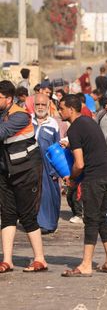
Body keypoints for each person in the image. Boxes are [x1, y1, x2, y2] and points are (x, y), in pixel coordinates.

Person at [59, 94, 107, 277]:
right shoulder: (89, 121)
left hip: (95, 177)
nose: (59, 111)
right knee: (101, 218)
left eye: (61, 108)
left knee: (91, 220)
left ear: (71, 109)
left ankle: (86, 265)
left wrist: (72, 179)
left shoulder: (74, 129)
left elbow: (79, 164)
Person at [0, 80, 48, 273]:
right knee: (7, 215)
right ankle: (7, 261)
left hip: (26, 171)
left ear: (8, 99)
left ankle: (40, 259)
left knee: (28, 216)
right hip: (5, 171)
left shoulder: (19, 115)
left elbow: (1, 132)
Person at [32, 94, 61, 234]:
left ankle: (49, 224)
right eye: (38, 104)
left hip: (48, 166)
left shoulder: (53, 123)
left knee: (49, 195)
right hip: (30, 165)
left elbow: (58, 147)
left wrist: (57, 170)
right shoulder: (27, 121)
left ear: (48, 106)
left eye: (43, 105)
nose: (40, 107)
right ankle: (35, 224)